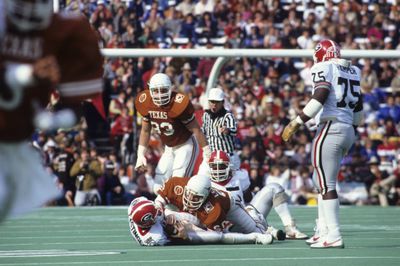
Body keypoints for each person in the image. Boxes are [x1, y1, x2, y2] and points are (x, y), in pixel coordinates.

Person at [0, 0, 103, 222]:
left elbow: (75, 110)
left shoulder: (67, 32)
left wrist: (50, 121)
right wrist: (27, 75)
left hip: (14, 141)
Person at [282, 39, 363, 248]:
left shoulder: (323, 67)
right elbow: (358, 110)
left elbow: (320, 96)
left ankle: (333, 234)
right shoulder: (353, 70)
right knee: (322, 183)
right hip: (347, 129)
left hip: (330, 127)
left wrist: (297, 121)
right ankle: (324, 230)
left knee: (326, 184)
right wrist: (349, 126)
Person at [134, 73, 210, 193]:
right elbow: (145, 130)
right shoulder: (146, 102)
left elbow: (196, 129)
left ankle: (182, 210)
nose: (159, 95)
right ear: (149, 90)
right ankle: (163, 210)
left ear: (170, 88)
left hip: (186, 145)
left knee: (177, 185)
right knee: (158, 187)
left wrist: (207, 152)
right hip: (169, 148)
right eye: (155, 91)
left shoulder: (178, 104)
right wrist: (140, 154)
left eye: (163, 90)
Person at [207, 150, 307, 240]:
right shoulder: (205, 183)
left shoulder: (239, 176)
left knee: (274, 188)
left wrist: (251, 209)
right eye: (214, 166)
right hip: (226, 227)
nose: (217, 170)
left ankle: (290, 228)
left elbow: (247, 198)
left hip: (247, 218)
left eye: (221, 166)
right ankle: (266, 230)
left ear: (229, 166)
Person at [154, 174, 272, 236]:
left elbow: (214, 236)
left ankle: (254, 216)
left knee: (256, 232)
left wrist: (190, 230)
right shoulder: (176, 183)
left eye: (195, 198)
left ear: (205, 197)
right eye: (188, 194)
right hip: (199, 212)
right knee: (168, 212)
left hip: (231, 206)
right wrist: (159, 210)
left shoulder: (214, 207)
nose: (190, 200)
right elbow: (159, 200)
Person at [128, 196, 273, 246]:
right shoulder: (155, 236)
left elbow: (160, 212)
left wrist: (164, 213)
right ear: (149, 223)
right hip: (181, 236)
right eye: (155, 214)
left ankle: (229, 223)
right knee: (217, 237)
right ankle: (254, 237)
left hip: (165, 221)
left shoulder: (136, 205)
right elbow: (180, 236)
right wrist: (184, 232)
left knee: (195, 218)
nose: (157, 210)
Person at [198, 87, 240, 176]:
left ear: (222, 103)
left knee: (234, 183)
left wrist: (227, 130)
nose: (214, 105)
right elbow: (203, 132)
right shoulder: (206, 115)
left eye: (217, 102)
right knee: (200, 180)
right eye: (212, 101)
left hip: (227, 157)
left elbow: (234, 131)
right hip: (211, 156)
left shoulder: (228, 116)